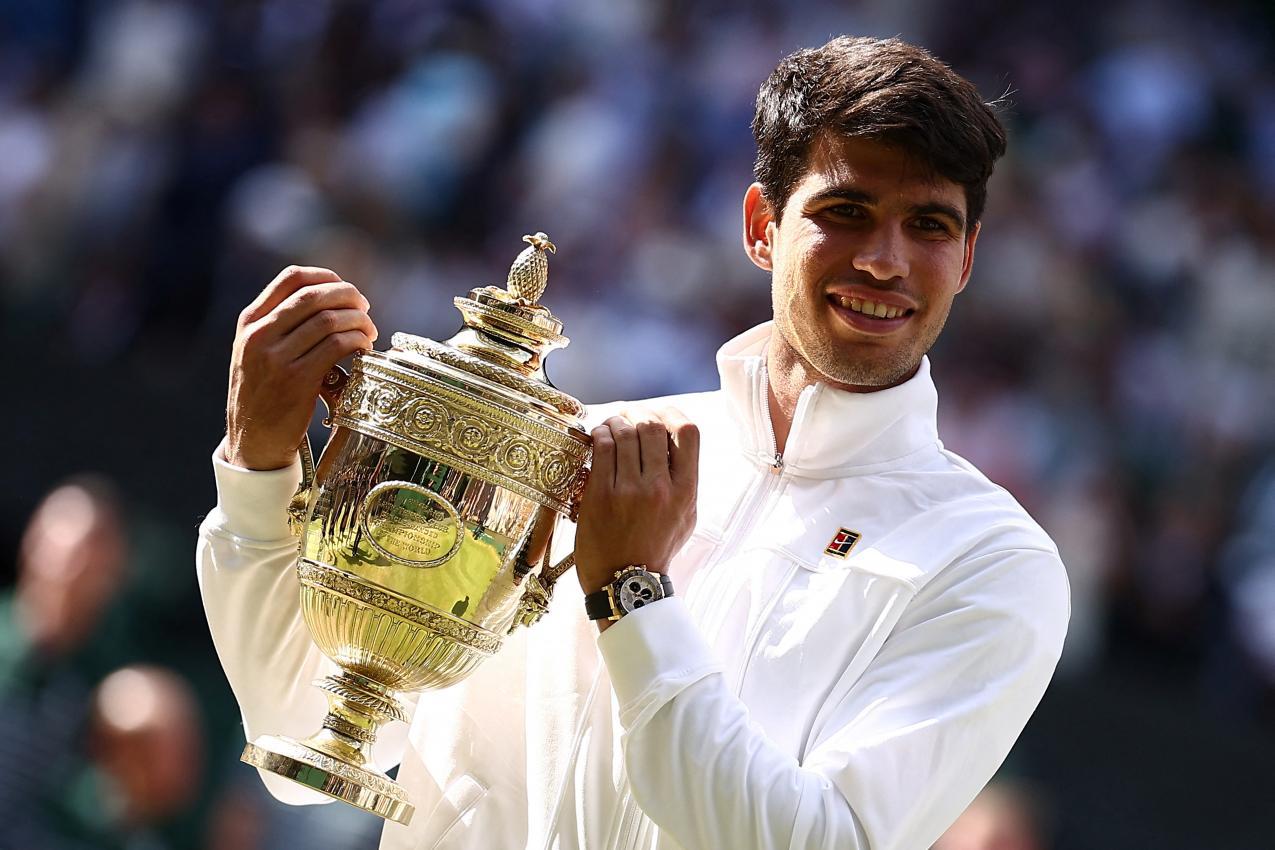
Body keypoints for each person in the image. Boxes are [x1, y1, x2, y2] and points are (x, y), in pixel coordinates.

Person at [198, 35, 1069, 850]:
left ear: (966, 258)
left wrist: (631, 595)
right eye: (846, 210)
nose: (885, 259)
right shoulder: (571, 448)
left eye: (928, 225)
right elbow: (305, 735)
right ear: (761, 226)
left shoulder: (989, 561)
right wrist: (258, 468)